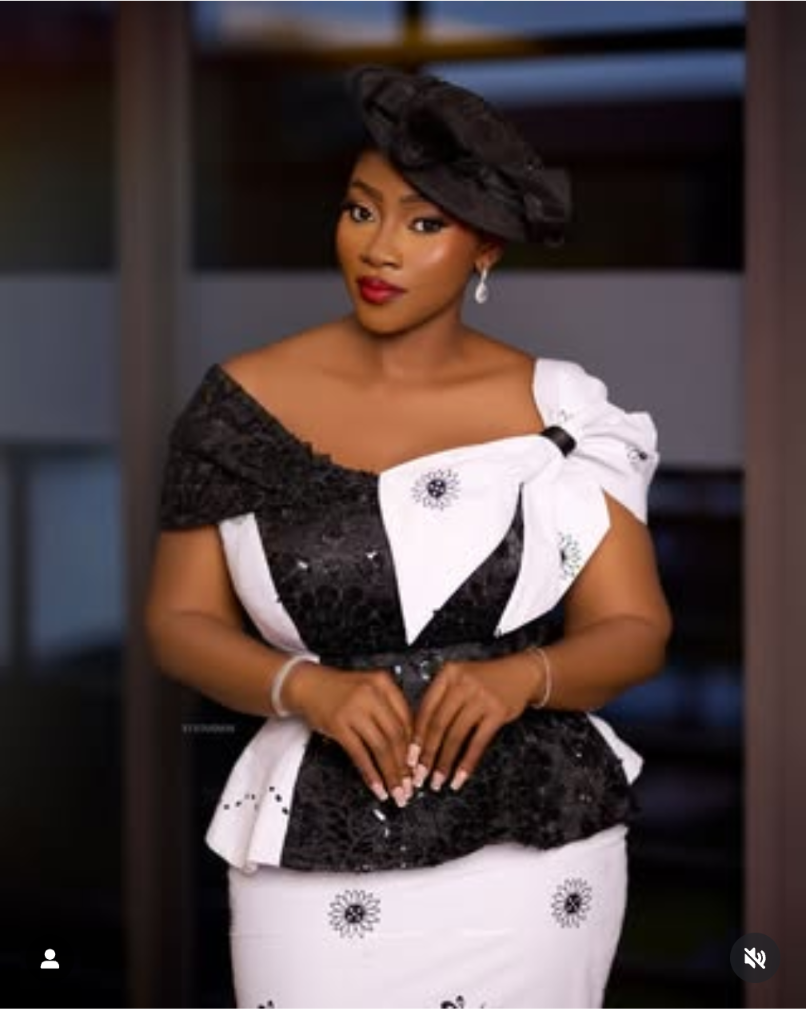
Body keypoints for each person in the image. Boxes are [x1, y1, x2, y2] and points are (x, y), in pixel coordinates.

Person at [145, 65, 672, 1009]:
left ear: (485, 251)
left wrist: (523, 677)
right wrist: (305, 686)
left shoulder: (563, 412)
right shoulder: (239, 406)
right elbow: (179, 622)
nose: (378, 248)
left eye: (423, 225)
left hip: (540, 850)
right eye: (360, 211)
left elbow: (635, 628)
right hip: (313, 839)